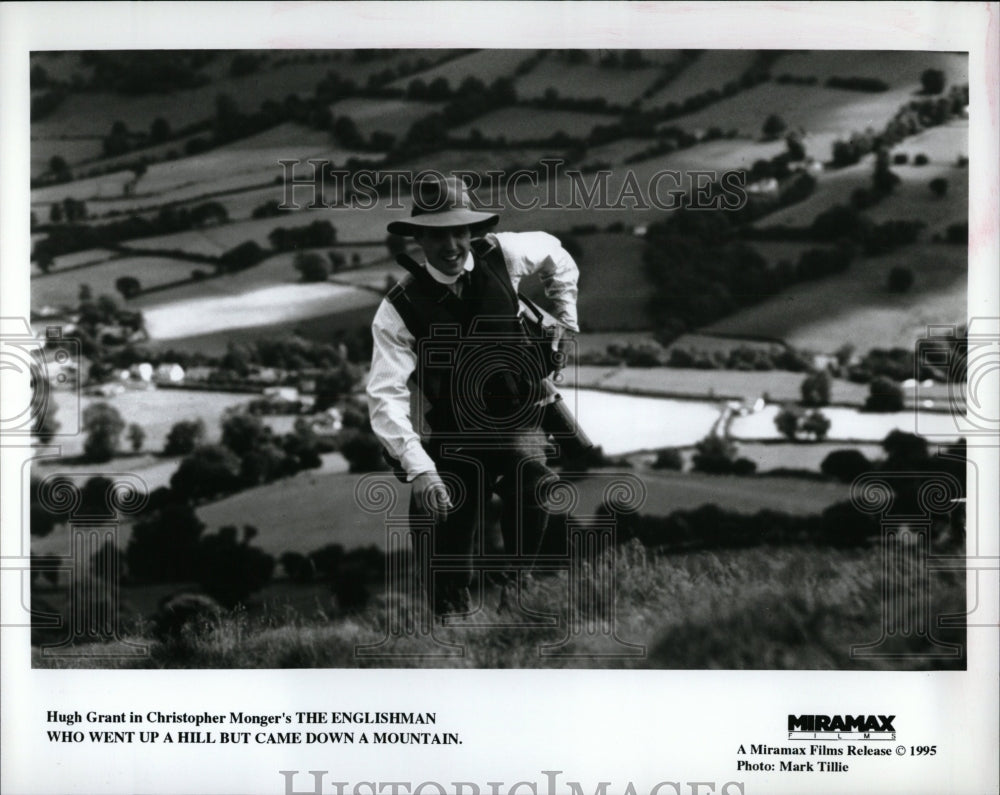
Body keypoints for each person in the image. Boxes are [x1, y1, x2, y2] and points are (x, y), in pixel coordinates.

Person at [366, 174, 580, 615]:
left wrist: (566, 320)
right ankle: (450, 623)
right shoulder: (397, 309)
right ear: (419, 237)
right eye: (438, 234)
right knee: (436, 522)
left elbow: (558, 256)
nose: (451, 245)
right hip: (454, 433)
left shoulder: (504, 253)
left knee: (538, 484)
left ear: (472, 230)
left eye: (460, 231)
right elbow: (385, 397)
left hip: (519, 418)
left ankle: (514, 593)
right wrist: (421, 470)